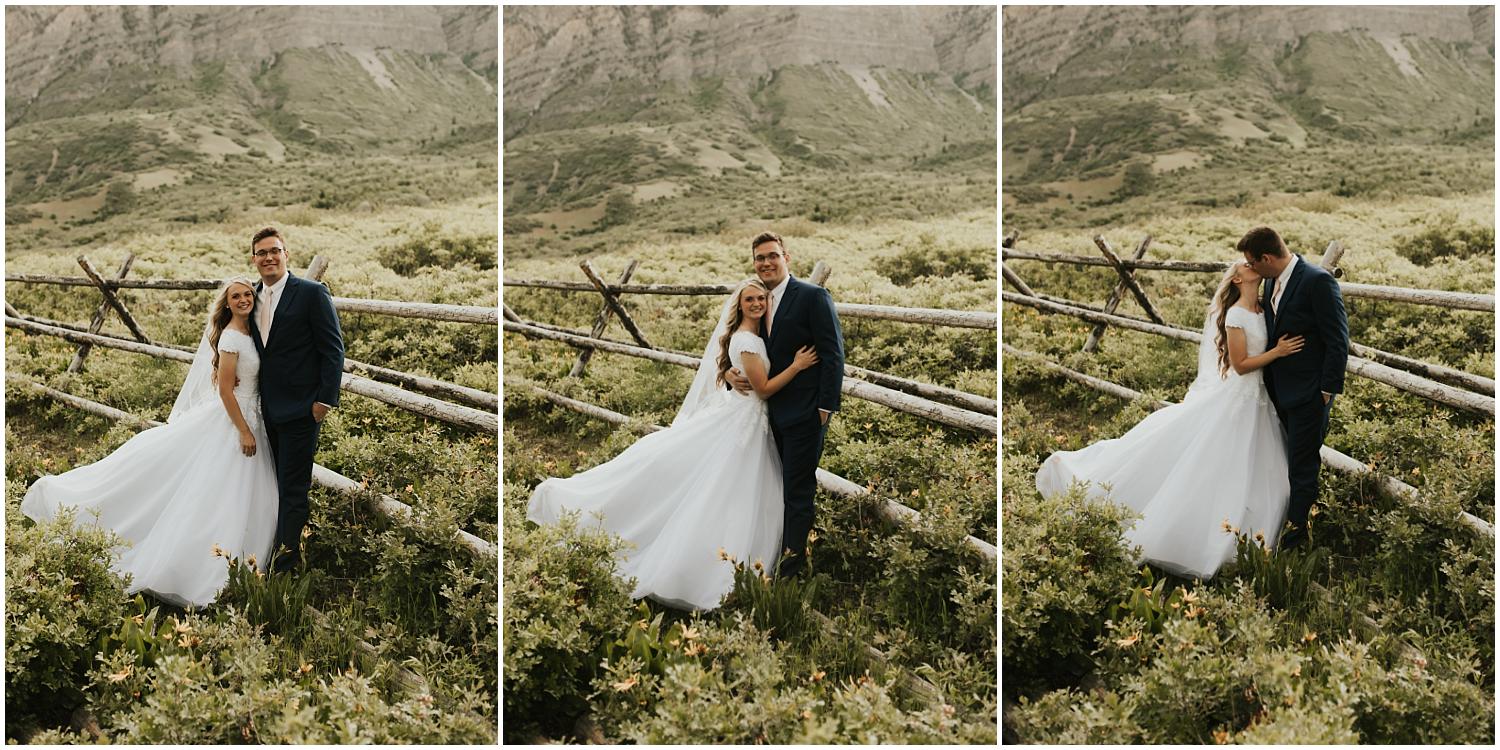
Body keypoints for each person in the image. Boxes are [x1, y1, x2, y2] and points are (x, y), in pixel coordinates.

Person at [528, 278, 820, 610]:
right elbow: (764, 389)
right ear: (739, 305)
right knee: (720, 487)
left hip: (747, 419)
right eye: (750, 299)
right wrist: (797, 366)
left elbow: (738, 369)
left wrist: (727, 373)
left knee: (730, 490)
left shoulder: (756, 336)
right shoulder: (747, 341)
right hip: (743, 419)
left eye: (761, 298)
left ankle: (723, 559)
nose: (757, 303)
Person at [1036, 262, 1305, 579]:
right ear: (1237, 278)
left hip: (1258, 402)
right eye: (1246, 264)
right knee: (1216, 464)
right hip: (1237, 397)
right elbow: (1242, 365)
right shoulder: (1235, 315)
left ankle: (1246, 540)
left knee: (1259, 471)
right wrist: (1278, 351)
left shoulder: (1263, 307)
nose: (1253, 265)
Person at [22, 278, 280, 607]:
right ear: (227, 303)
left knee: (244, 495)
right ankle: (196, 569)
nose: (244, 299)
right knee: (216, 493)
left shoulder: (251, 331)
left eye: (247, 294)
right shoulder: (231, 336)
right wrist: (244, 430)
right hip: (235, 421)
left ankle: (238, 565)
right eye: (236, 296)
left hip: (252, 416)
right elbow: (226, 391)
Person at [725, 232, 844, 578]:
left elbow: (833, 353)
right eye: (759, 258)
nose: (766, 262)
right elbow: (739, 345)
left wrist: (825, 407)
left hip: (805, 413)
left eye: (772, 256)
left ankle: (792, 568)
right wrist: (730, 374)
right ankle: (768, 550)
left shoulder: (812, 296)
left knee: (797, 489)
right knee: (770, 486)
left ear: (786, 257)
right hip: (765, 414)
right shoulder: (758, 302)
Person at [1240, 226, 1348, 550]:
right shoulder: (1271, 280)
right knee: (1287, 457)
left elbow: (1338, 340)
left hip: (1310, 394)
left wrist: (1326, 391)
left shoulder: (1317, 281)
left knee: (1302, 464)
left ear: (1267, 257)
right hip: (1278, 391)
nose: (1251, 270)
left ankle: (1296, 535)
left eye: (1252, 263)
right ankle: (1289, 516)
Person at [247, 227, 344, 572]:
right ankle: (264, 546)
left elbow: (333, 350)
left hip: (303, 409)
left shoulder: (311, 293)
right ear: (254, 259)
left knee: (293, 487)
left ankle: (284, 565)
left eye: (275, 250)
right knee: (268, 483)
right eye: (262, 252)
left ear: (286, 254)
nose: (269, 257)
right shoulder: (250, 297)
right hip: (263, 411)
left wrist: (324, 402)